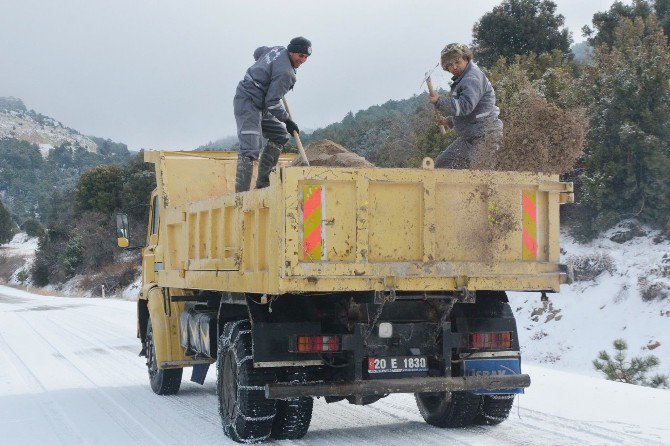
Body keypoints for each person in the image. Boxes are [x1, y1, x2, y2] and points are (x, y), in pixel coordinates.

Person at [233, 36, 311, 192]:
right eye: (300, 56)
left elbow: (258, 52)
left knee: (280, 135)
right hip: (248, 100)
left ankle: (262, 184)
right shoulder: (286, 73)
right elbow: (273, 102)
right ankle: (240, 197)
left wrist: (266, 71)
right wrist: (287, 120)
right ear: (292, 51)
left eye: (306, 57)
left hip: (262, 103)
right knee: (250, 148)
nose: (303, 60)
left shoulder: (277, 49)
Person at [428, 43, 503, 170]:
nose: (454, 67)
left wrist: (439, 101)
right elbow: (473, 111)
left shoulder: (471, 78)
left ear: (466, 58)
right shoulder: (462, 79)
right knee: (444, 163)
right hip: (470, 138)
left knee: (480, 175)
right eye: (450, 65)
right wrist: (449, 121)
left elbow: (465, 107)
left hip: (486, 137)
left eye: (457, 62)